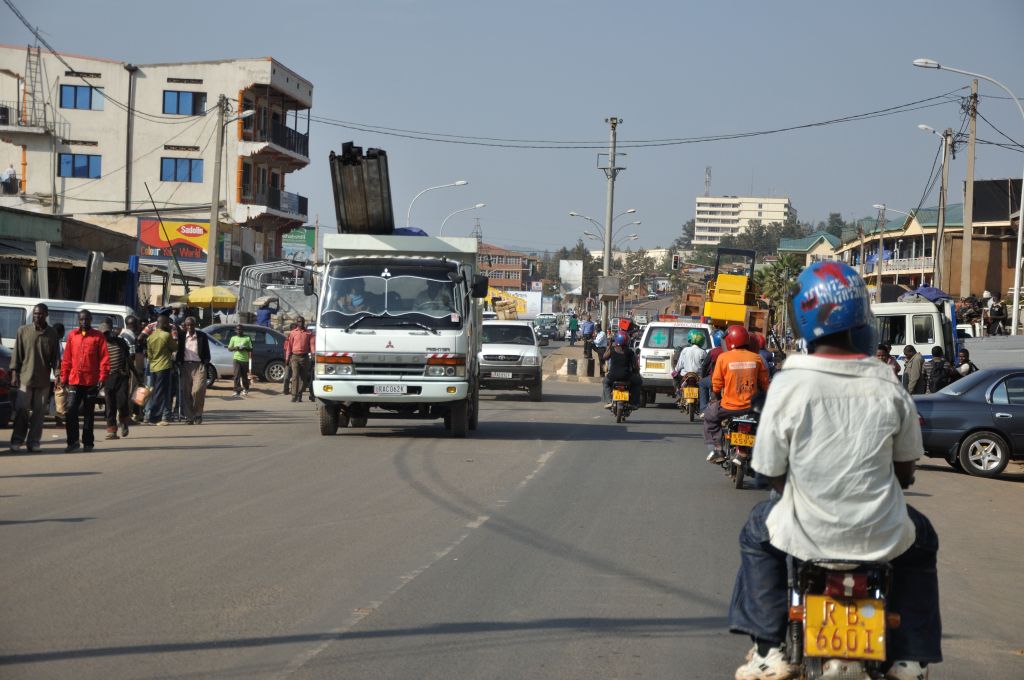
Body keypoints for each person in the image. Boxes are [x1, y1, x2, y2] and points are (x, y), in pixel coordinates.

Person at [728, 261, 940, 680]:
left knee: (756, 532)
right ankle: (910, 657)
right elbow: (905, 474)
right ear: (860, 312)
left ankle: (770, 648)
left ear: (803, 318)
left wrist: (795, 486)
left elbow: (770, 470)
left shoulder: (790, 384)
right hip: (882, 534)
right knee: (924, 540)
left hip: (803, 533)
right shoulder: (887, 382)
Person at [703, 325, 769, 463]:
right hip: (751, 408)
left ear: (730, 340)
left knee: (710, 415)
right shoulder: (757, 358)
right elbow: (765, 384)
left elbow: (716, 384)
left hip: (728, 408)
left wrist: (716, 398)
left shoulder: (723, 358)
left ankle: (718, 449)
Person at [9, 303, 60, 453]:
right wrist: (14, 374)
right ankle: (17, 440)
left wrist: (57, 375)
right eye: (36, 314)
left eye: (41, 314)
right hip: (25, 378)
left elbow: (55, 358)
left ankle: (34, 442)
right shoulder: (23, 331)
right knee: (22, 410)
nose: (38, 316)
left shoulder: (52, 334)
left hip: (43, 380)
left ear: (46, 315)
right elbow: (16, 354)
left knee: (39, 413)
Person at [59, 310, 110, 452]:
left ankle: (88, 442)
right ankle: (72, 441)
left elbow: (104, 359)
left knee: (88, 413)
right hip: (74, 380)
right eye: (81, 319)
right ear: (78, 320)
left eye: (87, 319)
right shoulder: (72, 336)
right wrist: (64, 377)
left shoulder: (98, 337)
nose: (84, 322)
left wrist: (102, 377)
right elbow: (67, 359)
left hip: (91, 381)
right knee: (70, 410)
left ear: (91, 320)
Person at [100, 319, 134, 440]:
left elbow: (128, 359)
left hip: (122, 376)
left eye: (107, 333)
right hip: (107, 378)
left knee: (122, 402)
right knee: (110, 406)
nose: (106, 335)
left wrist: (137, 376)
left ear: (111, 331)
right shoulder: (99, 345)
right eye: (103, 333)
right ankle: (112, 431)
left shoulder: (121, 342)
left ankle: (124, 422)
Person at [175, 316, 211, 424]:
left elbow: (206, 352)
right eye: (187, 325)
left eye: (192, 325)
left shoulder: (202, 336)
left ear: (195, 325)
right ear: (185, 326)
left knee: (197, 391)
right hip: (185, 366)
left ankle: (198, 413)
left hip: (199, 365)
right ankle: (189, 416)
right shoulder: (181, 336)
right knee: (186, 392)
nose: (190, 327)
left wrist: (205, 363)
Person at [144, 313, 177, 425]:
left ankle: (151, 415)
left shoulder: (150, 337)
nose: (169, 325)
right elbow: (175, 347)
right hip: (164, 366)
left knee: (154, 391)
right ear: (163, 324)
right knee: (161, 393)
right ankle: (154, 417)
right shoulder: (166, 335)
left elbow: (149, 355)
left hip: (153, 367)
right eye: (167, 323)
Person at [602, 332, 642, 408]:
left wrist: (610, 345)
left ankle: (609, 401)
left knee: (605, 382)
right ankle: (633, 402)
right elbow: (635, 366)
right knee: (638, 382)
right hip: (626, 376)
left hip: (612, 376)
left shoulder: (612, 350)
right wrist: (637, 371)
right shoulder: (630, 352)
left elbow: (604, 357)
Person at [284, 317, 314, 402]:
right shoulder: (293, 333)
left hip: (305, 357)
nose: (300, 323)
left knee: (303, 378)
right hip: (295, 357)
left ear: (304, 322)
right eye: (298, 322)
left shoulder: (308, 333)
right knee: (295, 376)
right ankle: (294, 395)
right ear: (297, 323)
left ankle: (299, 394)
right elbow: (289, 346)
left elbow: (312, 345)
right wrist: (287, 358)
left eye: (301, 322)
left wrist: (313, 354)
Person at [121, 315, 145, 422]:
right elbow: (131, 356)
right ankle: (128, 416)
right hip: (131, 368)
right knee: (132, 392)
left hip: (132, 368)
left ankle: (136, 413)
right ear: (134, 325)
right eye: (137, 324)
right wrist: (134, 372)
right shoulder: (129, 336)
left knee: (137, 392)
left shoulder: (126, 334)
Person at [673, 329, 707, 402]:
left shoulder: (685, 350)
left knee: (675, 378)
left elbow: (679, 364)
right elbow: (705, 365)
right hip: (697, 376)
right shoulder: (703, 352)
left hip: (685, 375)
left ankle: (678, 393)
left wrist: (675, 370)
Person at [227, 324, 254, 397]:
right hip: (236, 359)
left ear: (243, 330)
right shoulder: (233, 338)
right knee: (236, 375)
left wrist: (245, 348)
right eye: (238, 330)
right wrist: (235, 348)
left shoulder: (247, 338)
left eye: (241, 329)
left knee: (244, 376)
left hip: (244, 359)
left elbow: (251, 348)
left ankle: (245, 389)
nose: (239, 331)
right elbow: (229, 348)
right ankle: (237, 391)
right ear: (235, 330)